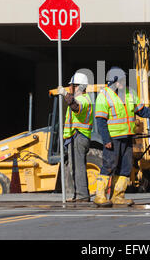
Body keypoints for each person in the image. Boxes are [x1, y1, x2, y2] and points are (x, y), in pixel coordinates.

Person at [94, 67, 150, 207]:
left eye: (124, 79)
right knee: (109, 166)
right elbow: (101, 121)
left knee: (125, 167)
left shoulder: (130, 93)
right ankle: (100, 196)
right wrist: (106, 140)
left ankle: (118, 196)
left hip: (127, 136)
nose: (123, 82)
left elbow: (142, 111)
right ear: (113, 81)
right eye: (120, 80)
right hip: (113, 138)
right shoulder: (104, 96)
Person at [57, 72, 93, 203]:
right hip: (75, 137)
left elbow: (75, 107)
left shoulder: (83, 99)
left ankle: (82, 195)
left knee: (78, 168)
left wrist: (64, 94)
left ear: (79, 86)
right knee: (74, 167)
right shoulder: (82, 98)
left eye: (71, 86)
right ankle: (78, 194)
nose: (70, 89)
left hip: (79, 136)